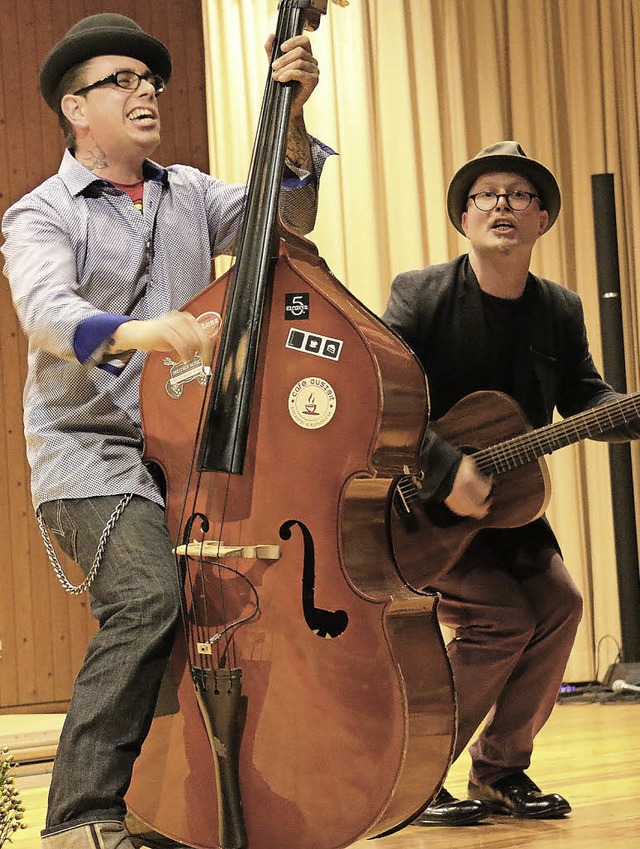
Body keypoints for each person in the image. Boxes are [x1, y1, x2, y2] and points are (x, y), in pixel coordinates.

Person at [2, 13, 330, 849]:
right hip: (93, 457)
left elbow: (282, 223)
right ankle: (79, 821)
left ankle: (170, 801)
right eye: (121, 80)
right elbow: (45, 313)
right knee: (148, 599)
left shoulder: (190, 192)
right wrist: (143, 332)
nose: (146, 90)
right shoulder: (40, 214)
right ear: (76, 109)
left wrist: (289, 121)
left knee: (216, 614)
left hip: (184, 456)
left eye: (150, 80)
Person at [382, 141, 640, 826]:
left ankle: (500, 772)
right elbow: (380, 393)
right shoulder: (421, 293)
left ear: (544, 218)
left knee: (559, 605)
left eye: (519, 195)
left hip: (505, 508)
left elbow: (585, 396)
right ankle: (416, 777)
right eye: (486, 194)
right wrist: (444, 468)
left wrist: (630, 412)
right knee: (503, 617)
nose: (502, 204)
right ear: (463, 216)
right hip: (413, 503)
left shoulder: (557, 307)